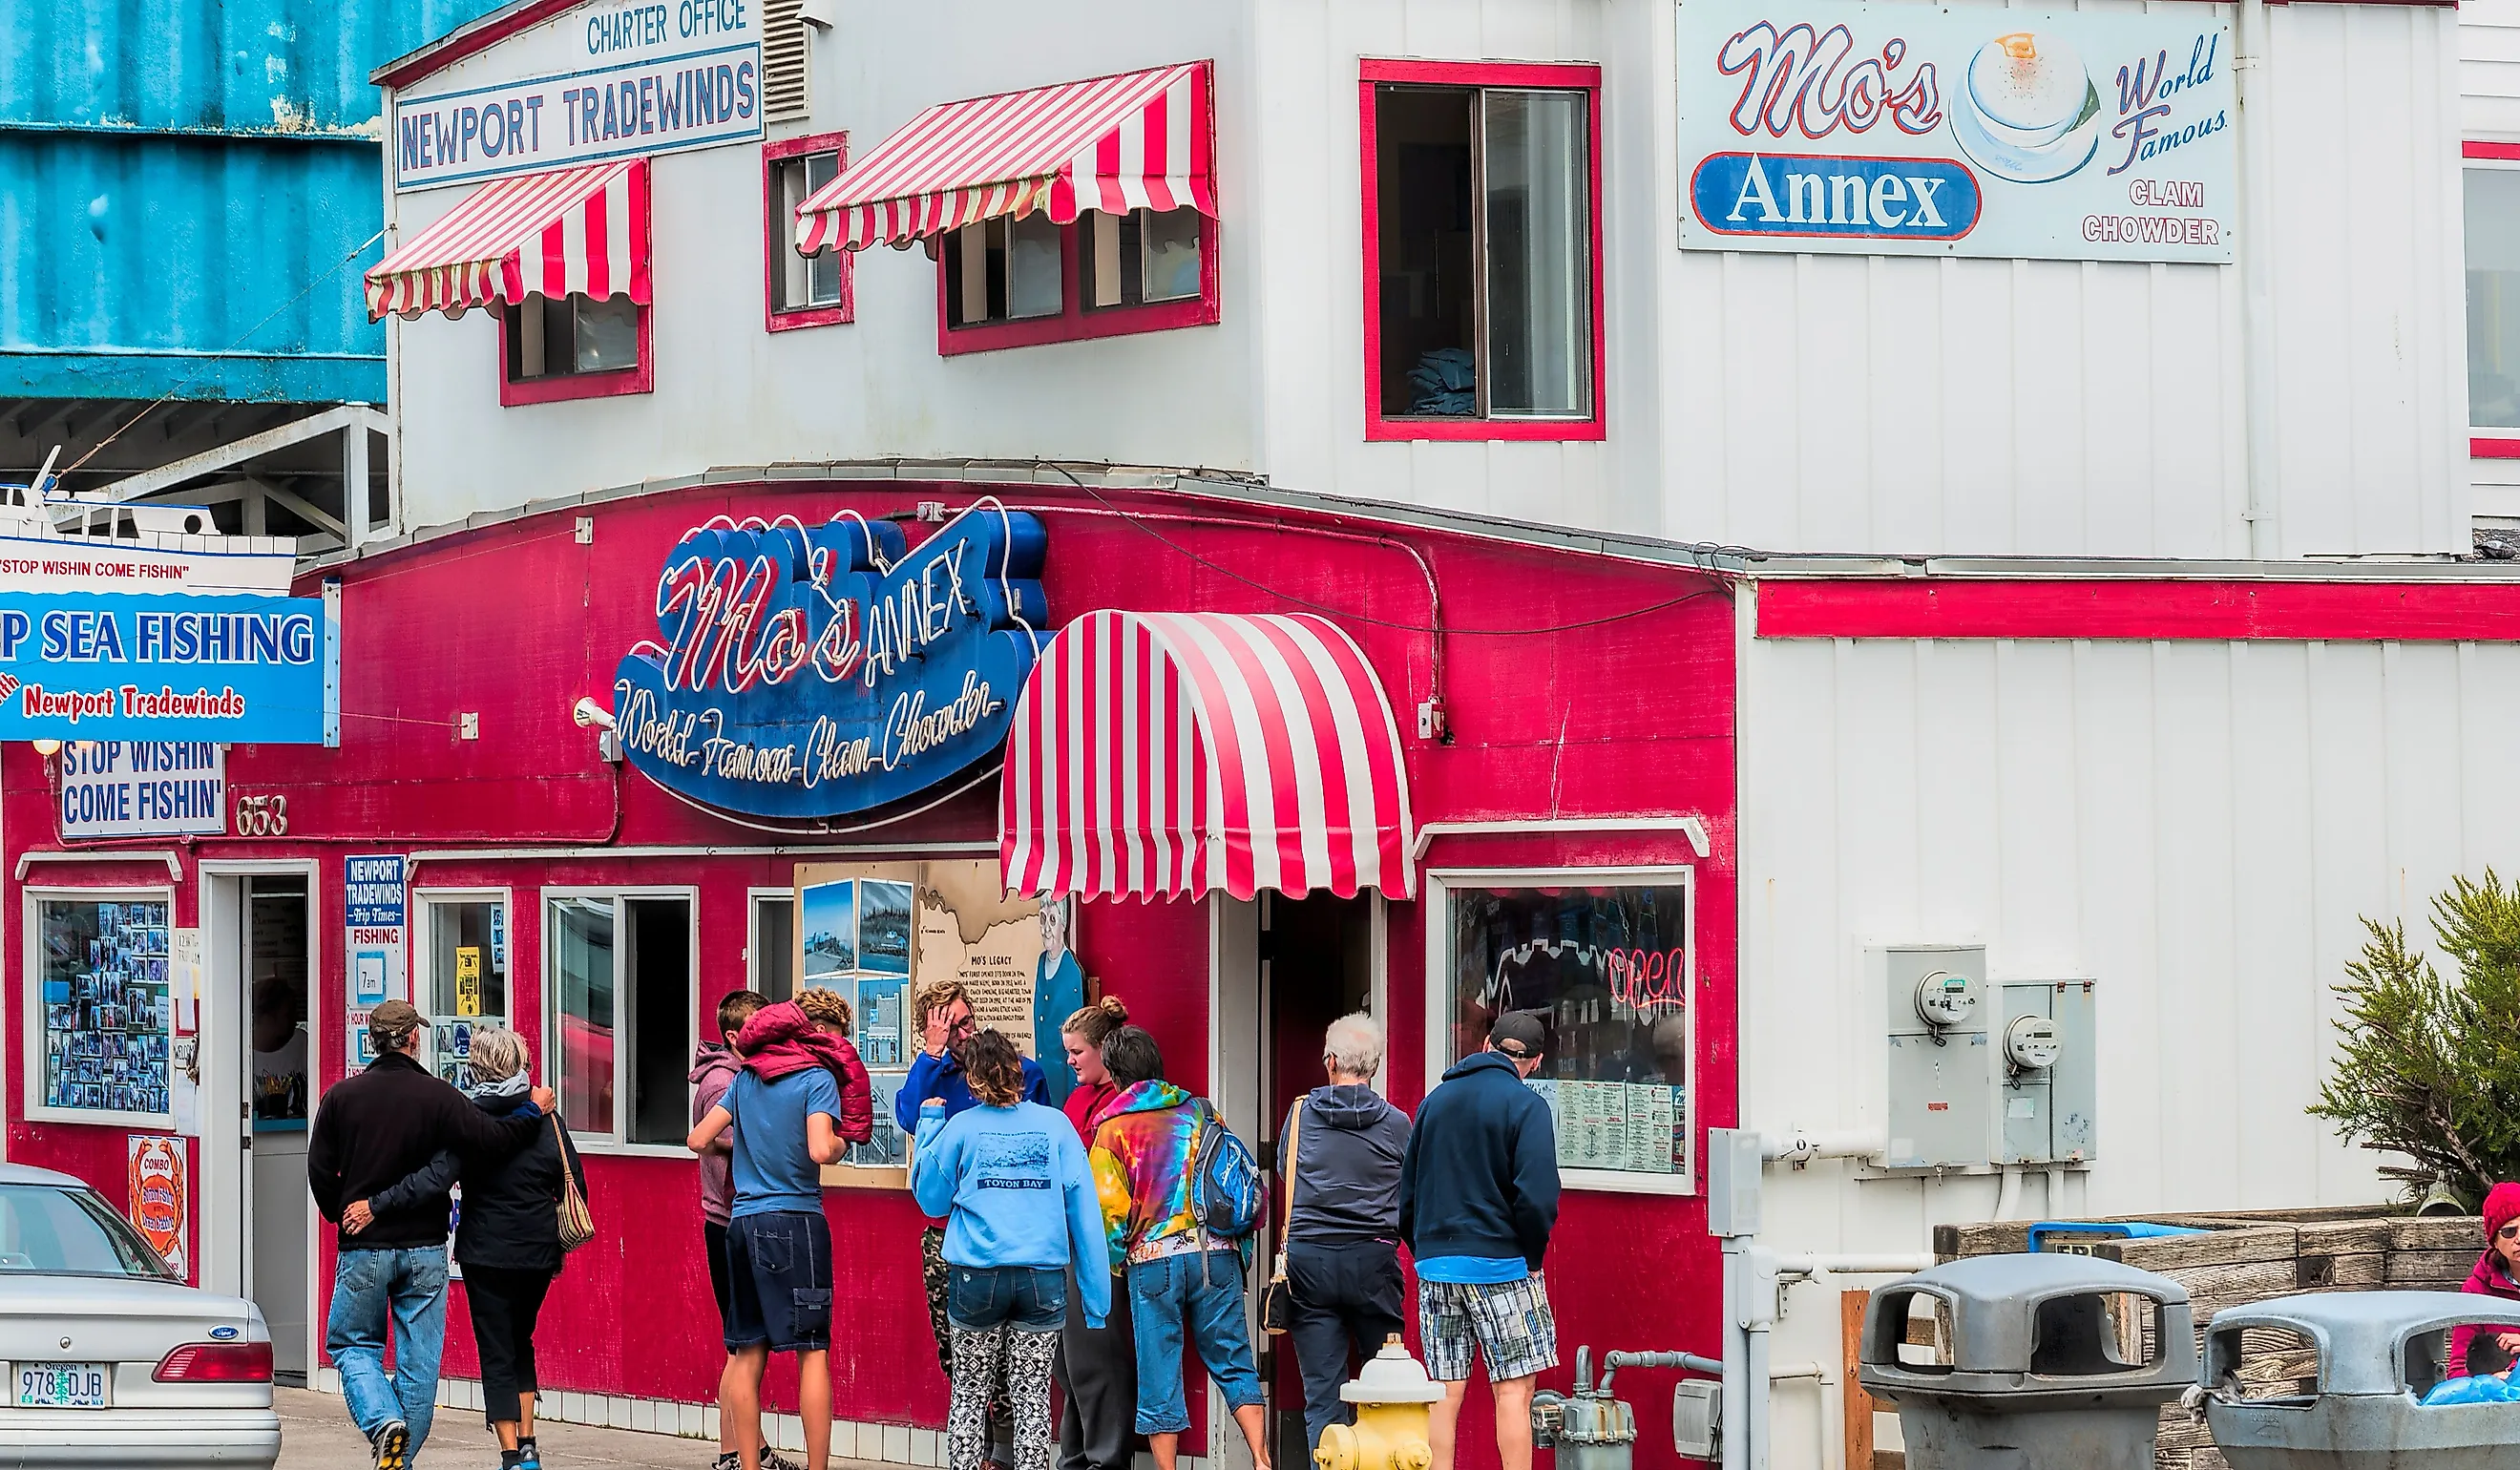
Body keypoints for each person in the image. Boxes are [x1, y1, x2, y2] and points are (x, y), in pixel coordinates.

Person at [308, 1000, 552, 1470]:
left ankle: (384, 1423)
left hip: (365, 1247)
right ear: (414, 1040)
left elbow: (319, 1170)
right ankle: (399, 1454)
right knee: (418, 1368)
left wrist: (342, 1213)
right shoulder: (440, 1097)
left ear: (372, 1041)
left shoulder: (340, 1097)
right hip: (425, 1251)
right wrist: (533, 1111)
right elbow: (493, 1141)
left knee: (352, 1344)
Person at [359, 1027, 584, 1470]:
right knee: (521, 1339)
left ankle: (510, 1454)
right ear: (519, 1064)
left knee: (496, 1347)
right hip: (537, 1253)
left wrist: (378, 1204)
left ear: (475, 1066)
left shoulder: (466, 1117)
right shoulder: (546, 1116)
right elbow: (571, 1177)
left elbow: (437, 1176)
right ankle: (530, 1442)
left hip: (485, 1252)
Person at [911, 1028, 1111, 1470]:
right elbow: (1085, 1214)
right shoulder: (1056, 1124)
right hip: (1042, 1279)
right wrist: (1096, 1301)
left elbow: (930, 1199)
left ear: (973, 1079)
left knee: (970, 1390)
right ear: (1018, 1072)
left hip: (977, 1277)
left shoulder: (961, 1127)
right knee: (1033, 1396)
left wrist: (927, 1127)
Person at [688, 988, 872, 1470]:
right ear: (816, 1032)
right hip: (796, 1223)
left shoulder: (746, 1076)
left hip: (742, 1224)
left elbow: (698, 1138)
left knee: (747, 1354)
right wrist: (841, 1144)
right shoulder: (815, 1078)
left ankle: (748, 1465)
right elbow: (818, 1149)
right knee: (812, 1352)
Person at [1088, 1025, 1270, 1470]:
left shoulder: (1112, 1130)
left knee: (1159, 1376)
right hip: (1217, 1255)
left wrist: (1113, 1267)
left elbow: (1108, 1215)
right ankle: (1263, 1460)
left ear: (1114, 1074)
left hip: (1153, 1264)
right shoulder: (1201, 1112)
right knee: (1233, 1359)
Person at [1398, 1011, 1563, 1470]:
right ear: (1535, 1060)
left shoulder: (1434, 1103)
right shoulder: (1527, 1106)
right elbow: (1537, 1199)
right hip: (1504, 1268)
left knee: (1444, 1393)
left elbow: (1406, 1193)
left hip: (1436, 1269)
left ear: (1487, 1043)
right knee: (1512, 1390)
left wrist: (1425, 1251)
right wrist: (1530, 1256)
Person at [899, 978, 1047, 1460]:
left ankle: (1001, 1456)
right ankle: (981, 1453)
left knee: (1015, 1368)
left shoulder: (1019, 1072)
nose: (964, 1032)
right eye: (950, 1026)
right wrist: (930, 1052)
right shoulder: (936, 1077)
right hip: (949, 1238)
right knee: (960, 1360)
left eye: (966, 1020)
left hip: (1010, 1239)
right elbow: (905, 1115)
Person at [1279, 1013, 1411, 1454]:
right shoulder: (1396, 1124)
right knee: (1385, 1391)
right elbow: (1410, 1191)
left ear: (1330, 1061)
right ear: (1373, 1067)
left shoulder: (1299, 1116)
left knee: (1323, 1397)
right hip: (1373, 1263)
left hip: (1310, 1263)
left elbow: (1285, 1172)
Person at [694, 990, 803, 1470]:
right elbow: (709, 1139)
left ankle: (737, 1451)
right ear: (737, 1036)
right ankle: (738, 1452)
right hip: (732, 1220)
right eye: (760, 1027)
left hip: (735, 1220)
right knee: (743, 1347)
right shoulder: (725, 1082)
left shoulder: (743, 1076)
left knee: (742, 1345)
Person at [1054, 998, 1136, 1470]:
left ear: (1105, 1049)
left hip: (1104, 1244)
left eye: (1077, 1052)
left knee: (1096, 1361)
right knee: (1069, 1364)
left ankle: (1105, 1457)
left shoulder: (1122, 1104)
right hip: (1066, 1239)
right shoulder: (1077, 1100)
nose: (1070, 1061)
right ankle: (1076, 1454)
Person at [2449, 1182, 2520, 1378]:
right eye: (2509, 1231)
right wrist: (2490, 1381)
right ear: (2494, 1241)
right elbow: (2458, 1370)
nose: (2519, 1238)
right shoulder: (2475, 1292)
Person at [1032, 902, 1086, 1105]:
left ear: (1063, 923)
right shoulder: (1041, 961)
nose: (1046, 928)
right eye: (1043, 919)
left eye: (1052, 919)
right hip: (1043, 1073)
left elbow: (1076, 1036)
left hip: (1063, 1077)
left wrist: (1074, 1093)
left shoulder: (1070, 970)